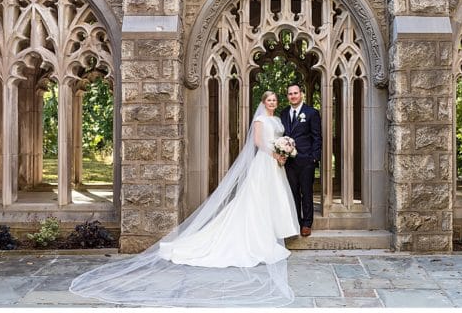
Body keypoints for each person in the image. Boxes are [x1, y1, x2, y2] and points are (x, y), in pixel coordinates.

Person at [69, 91, 298, 306]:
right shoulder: (260, 121)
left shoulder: (277, 120)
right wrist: (275, 152)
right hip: (265, 162)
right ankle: (256, 238)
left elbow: (280, 139)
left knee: (270, 199)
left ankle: (268, 233)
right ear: (263, 102)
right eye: (269, 100)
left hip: (276, 165)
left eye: (275, 100)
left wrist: (284, 152)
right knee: (255, 200)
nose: (273, 103)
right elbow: (258, 143)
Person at [281, 83, 322, 237]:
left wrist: (314, 158)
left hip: (306, 161)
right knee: (293, 193)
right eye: (290, 93)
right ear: (288, 96)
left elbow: (317, 137)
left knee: (306, 192)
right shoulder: (284, 113)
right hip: (289, 162)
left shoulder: (311, 113)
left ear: (301, 94)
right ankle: (296, 221)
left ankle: (307, 223)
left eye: (295, 93)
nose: (293, 96)